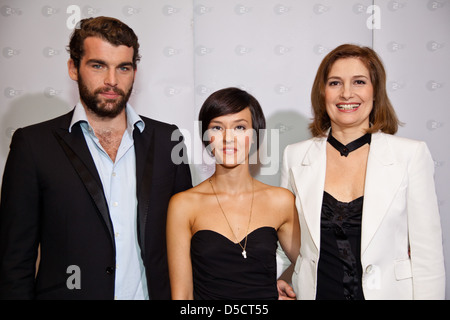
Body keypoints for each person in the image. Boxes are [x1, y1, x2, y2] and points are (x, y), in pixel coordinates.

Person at [0, 16, 192, 300]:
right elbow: (14, 260)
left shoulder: (168, 140)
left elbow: (191, 237)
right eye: (98, 65)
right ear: (73, 68)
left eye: (123, 68)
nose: (111, 81)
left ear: (134, 72)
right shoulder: (33, 145)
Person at [277, 44, 445, 300]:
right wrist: (269, 280)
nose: (346, 93)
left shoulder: (410, 155)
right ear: (322, 92)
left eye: (359, 82)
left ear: (375, 91)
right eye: (335, 83)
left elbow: (428, 256)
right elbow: (286, 239)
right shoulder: (295, 156)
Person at [167, 87, 300, 300]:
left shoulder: (280, 201)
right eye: (217, 128)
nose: (228, 138)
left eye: (239, 127)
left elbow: (312, 265)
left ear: (255, 135)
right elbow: (182, 296)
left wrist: (287, 282)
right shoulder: (184, 205)